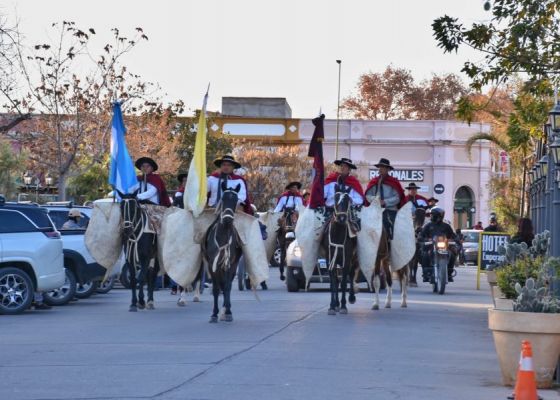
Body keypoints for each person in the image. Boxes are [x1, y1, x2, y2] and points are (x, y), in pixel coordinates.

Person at [365, 158, 405, 239]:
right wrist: (375, 200)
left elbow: (397, 197)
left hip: (390, 210)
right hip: (376, 210)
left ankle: (392, 245)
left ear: (388, 169)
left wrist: (385, 202)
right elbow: (367, 195)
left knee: (393, 228)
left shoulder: (394, 182)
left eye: (383, 167)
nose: (380, 169)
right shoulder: (374, 181)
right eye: (379, 167)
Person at [418, 207, 460, 282]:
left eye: (432, 215)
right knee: (425, 255)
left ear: (438, 216)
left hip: (445, 246)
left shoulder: (446, 226)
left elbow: (453, 235)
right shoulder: (428, 225)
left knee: (452, 255)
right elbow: (421, 235)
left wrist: (456, 239)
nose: (431, 216)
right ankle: (426, 274)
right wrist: (426, 239)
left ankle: (449, 274)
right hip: (431, 246)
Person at [324, 157, 365, 230]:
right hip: (329, 211)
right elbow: (322, 194)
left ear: (349, 170)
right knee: (317, 231)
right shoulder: (331, 179)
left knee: (359, 231)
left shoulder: (354, 183)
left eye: (345, 166)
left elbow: (360, 200)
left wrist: (350, 199)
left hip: (348, 213)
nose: (342, 168)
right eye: (341, 166)